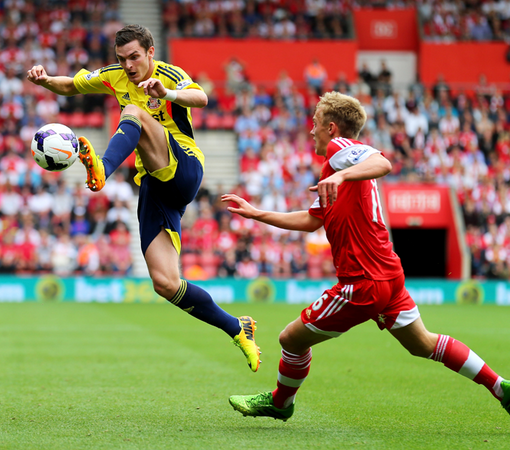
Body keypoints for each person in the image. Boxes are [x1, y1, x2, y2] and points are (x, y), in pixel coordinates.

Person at [222, 91, 510, 421]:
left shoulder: (340, 150)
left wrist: (341, 174)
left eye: (315, 123)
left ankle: (280, 403)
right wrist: (257, 213)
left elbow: (383, 163)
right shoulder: (335, 170)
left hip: (361, 283)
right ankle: (500, 386)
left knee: (290, 339)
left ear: (331, 128)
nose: (311, 130)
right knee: (422, 343)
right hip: (388, 275)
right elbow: (312, 220)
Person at [26, 24, 260, 372]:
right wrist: (45, 80)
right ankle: (238, 328)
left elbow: (201, 98)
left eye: (134, 57)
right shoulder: (115, 76)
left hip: (184, 166)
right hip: (154, 183)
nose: (128, 65)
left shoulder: (169, 74)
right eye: (122, 58)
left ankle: (103, 168)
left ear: (150, 52)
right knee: (165, 283)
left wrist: (167, 93)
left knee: (135, 111)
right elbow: (71, 85)